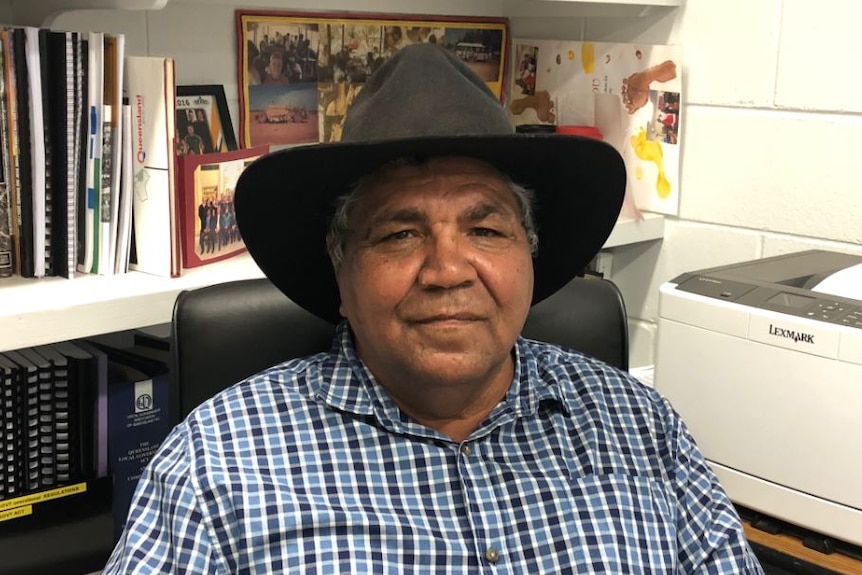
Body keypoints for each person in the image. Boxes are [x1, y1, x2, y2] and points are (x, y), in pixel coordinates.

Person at [103, 44, 764, 574]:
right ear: (341, 266)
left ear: (529, 255)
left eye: (485, 230)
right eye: (399, 233)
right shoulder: (217, 465)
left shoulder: (643, 431)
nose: (448, 271)